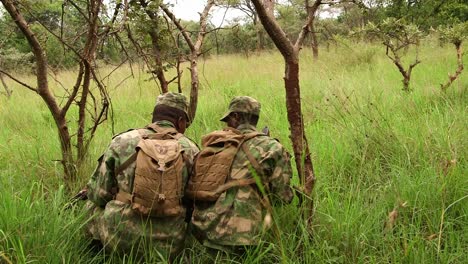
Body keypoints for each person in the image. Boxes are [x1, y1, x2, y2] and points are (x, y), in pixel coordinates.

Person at [84, 92, 199, 260]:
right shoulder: (191, 149)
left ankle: (97, 255)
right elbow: (195, 202)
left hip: (120, 241)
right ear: (181, 122)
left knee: (90, 205)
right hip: (172, 246)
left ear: (154, 116)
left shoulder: (122, 141)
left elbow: (98, 194)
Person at [188, 96, 293, 256]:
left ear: (235, 117)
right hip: (244, 237)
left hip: (204, 230)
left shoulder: (215, 144)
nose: (227, 125)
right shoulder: (272, 147)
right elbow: (283, 198)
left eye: (228, 119)